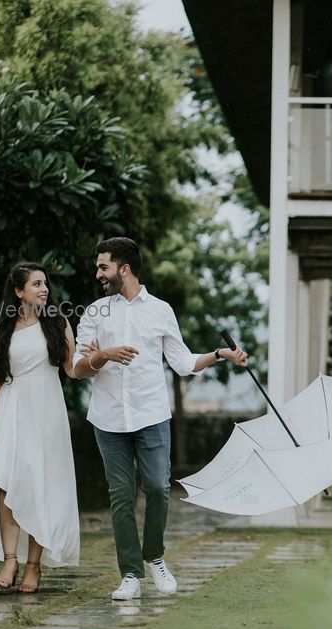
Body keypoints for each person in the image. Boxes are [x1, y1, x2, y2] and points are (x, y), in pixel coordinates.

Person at [73, 237, 248, 600]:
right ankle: (131, 575)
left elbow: (183, 363)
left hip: (151, 415)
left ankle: (154, 557)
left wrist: (220, 354)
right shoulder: (94, 312)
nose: (97, 273)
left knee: (157, 488)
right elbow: (77, 368)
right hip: (108, 419)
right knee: (121, 496)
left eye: (103, 266)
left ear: (124, 269)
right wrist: (103, 355)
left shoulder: (161, 310)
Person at [0, 262, 82, 593]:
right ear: (18, 291)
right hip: (12, 410)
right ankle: (10, 559)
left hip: (46, 411)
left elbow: (73, 370)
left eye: (45, 283)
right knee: (7, 484)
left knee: (42, 485)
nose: (44, 289)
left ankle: (33, 567)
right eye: (36, 284)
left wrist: (98, 359)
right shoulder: (3, 330)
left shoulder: (59, 323)